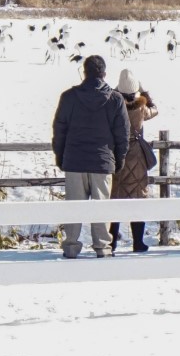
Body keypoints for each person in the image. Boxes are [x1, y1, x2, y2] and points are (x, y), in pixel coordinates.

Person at [51, 54, 129, 258]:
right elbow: (122, 133)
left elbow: (59, 129)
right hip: (102, 162)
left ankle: (71, 246)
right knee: (101, 209)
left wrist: (60, 156)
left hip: (75, 160)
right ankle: (102, 248)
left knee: (74, 208)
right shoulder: (115, 99)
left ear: (84, 72)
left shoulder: (69, 97)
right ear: (104, 73)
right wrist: (118, 159)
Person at [109, 69, 159, 254]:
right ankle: (138, 241)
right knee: (138, 197)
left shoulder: (113, 105)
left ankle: (111, 241)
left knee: (114, 198)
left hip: (117, 154)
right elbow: (155, 110)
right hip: (137, 155)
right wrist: (145, 94)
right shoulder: (141, 108)